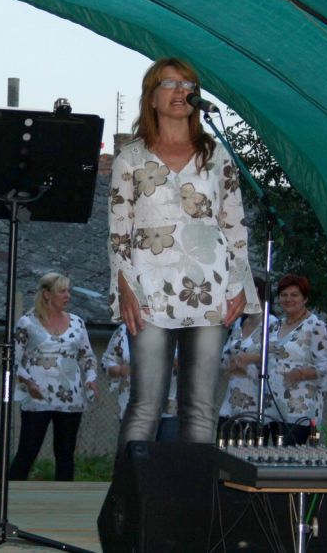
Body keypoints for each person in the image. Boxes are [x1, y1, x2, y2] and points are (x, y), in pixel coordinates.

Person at [108, 57, 256, 448]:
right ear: (151, 98)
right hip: (149, 289)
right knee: (146, 404)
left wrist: (239, 283)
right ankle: (132, 488)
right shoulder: (131, 158)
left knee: (201, 407)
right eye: (170, 84)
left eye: (188, 84)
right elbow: (118, 232)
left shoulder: (216, 156)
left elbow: (235, 226)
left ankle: (194, 488)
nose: (181, 91)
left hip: (210, 288)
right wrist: (125, 286)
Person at [9, 272, 99, 481]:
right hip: (38, 397)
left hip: (70, 398)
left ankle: (64, 496)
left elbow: (87, 356)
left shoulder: (77, 322)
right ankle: (11, 493)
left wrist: (91, 377)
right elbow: (13, 358)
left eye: (68, 291)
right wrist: (27, 381)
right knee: (28, 450)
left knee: (65, 453)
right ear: (47, 294)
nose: (67, 296)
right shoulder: (27, 322)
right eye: (62, 291)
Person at [267, 273, 327, 444]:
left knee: (288, 458)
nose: (288, 299)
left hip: (299, 410)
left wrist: (300, 374)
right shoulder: (275, 325)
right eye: (284, 295)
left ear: (305, 298)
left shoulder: (315, 326)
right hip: (272, 407)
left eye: (294, 295)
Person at [218, 277, 281, 441]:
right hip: (231, 404)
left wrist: (245, 363)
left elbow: (274, 360)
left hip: (256, 406)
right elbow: (224, 358)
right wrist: (237, 362)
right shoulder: (239, 323)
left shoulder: (272, 324)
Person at [102, 323, 179, 441]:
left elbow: (194, 365)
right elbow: (107, 362)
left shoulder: (177, 328)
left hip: (169, 409)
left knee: (166, 451)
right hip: (134, 407)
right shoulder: (125, 329)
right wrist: (120, 370)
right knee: (136, 449)